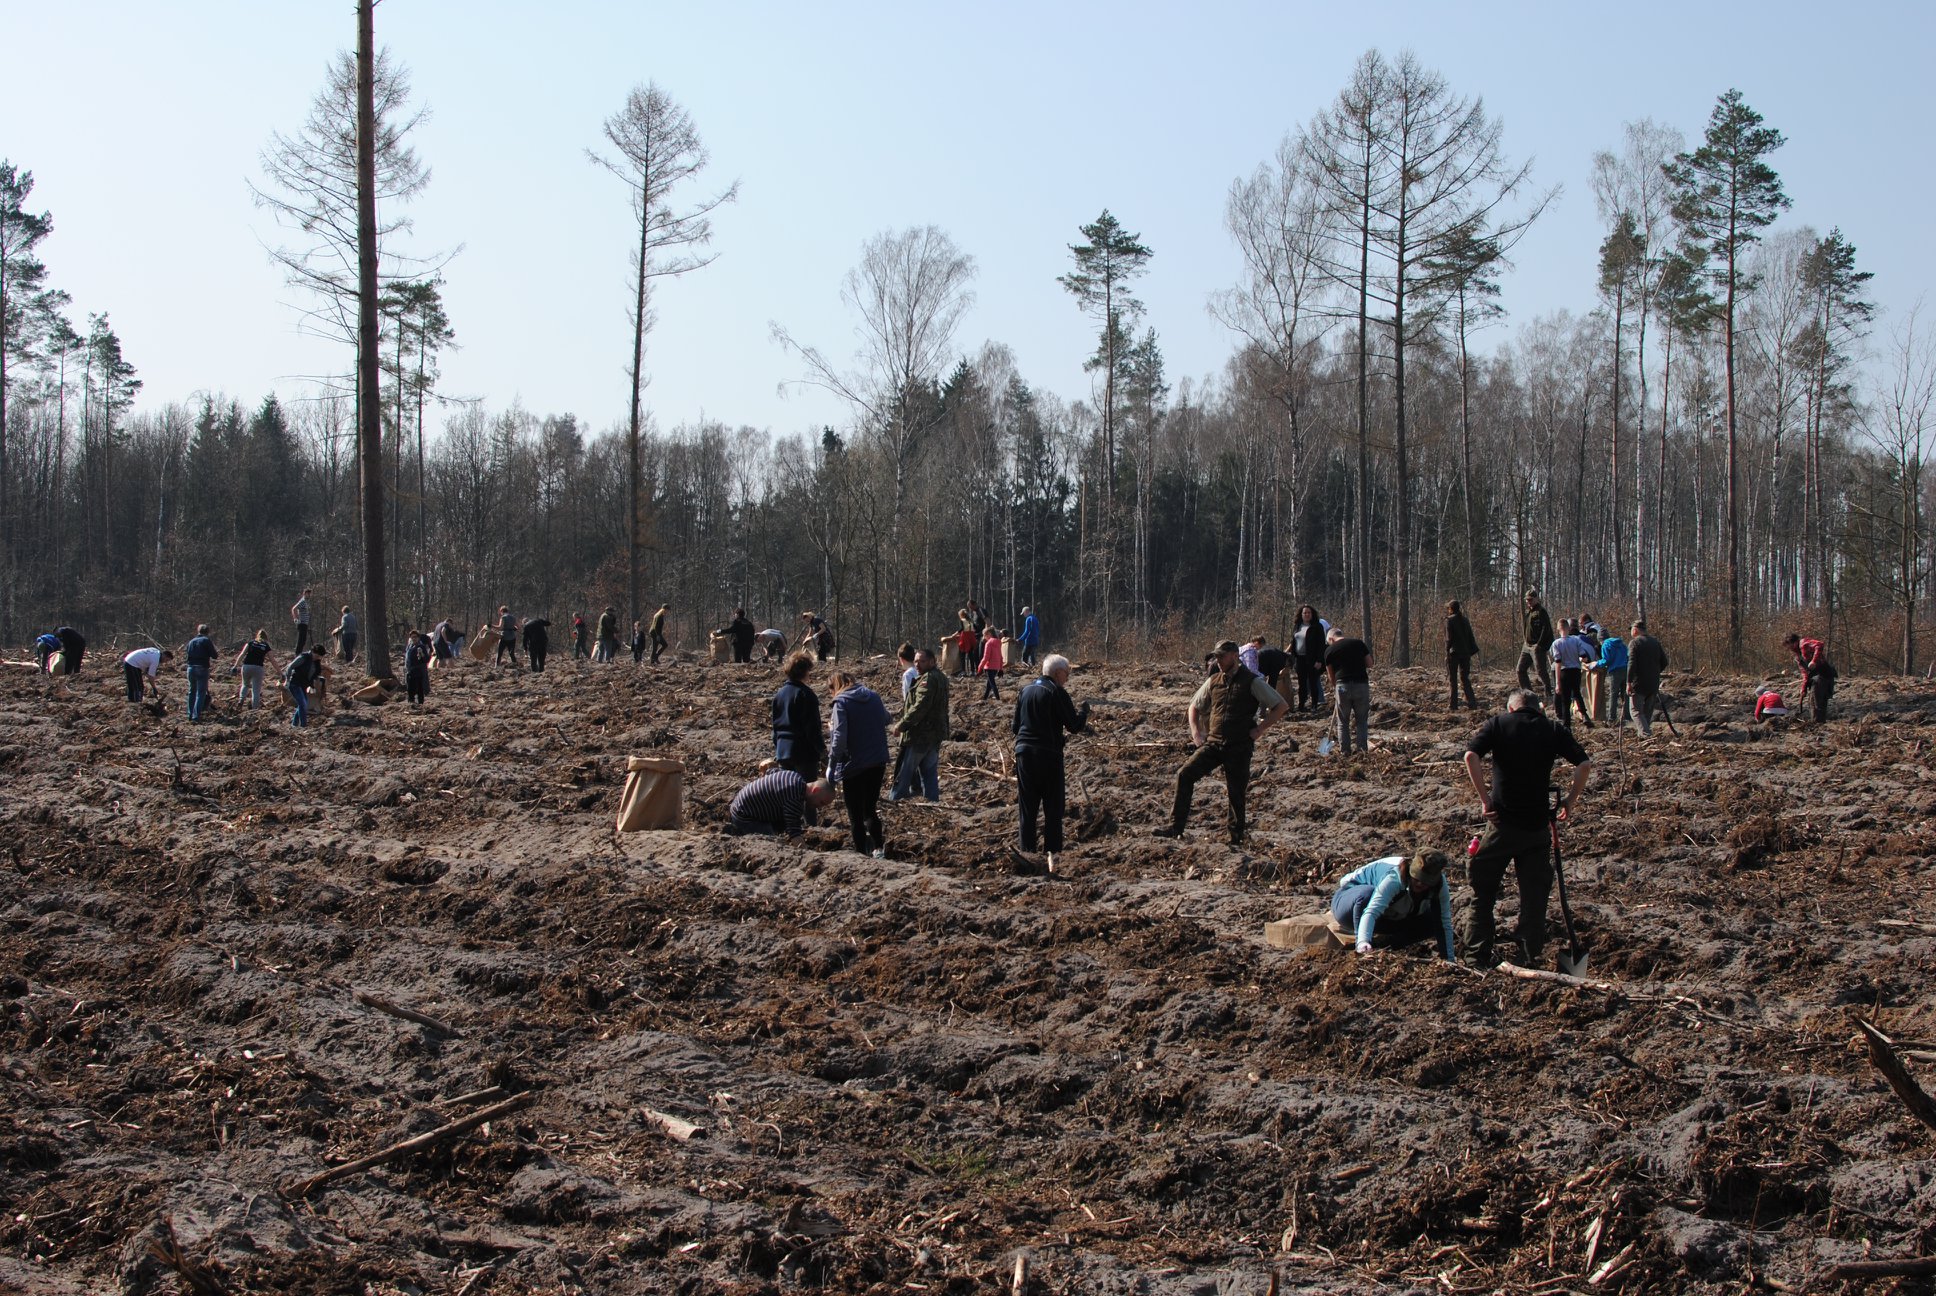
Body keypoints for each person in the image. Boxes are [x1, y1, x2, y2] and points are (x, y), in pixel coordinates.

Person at [1461, 689, 1592, 968]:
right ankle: (1528, 956)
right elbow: (1584, 764)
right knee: (1534, 897)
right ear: (1539, 709)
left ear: (1511, 709)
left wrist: (1485, 800)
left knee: (1482, 891)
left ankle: (1476, 956)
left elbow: (1471, 756)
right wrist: (1571, 799)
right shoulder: (1552, 728)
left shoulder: (1497, 724)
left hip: (1502, 824)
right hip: (1537, 827)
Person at [1154, 639, 1288, 846]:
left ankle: (1235, 837)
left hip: (1239, 746)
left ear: (1234, 656)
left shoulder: (1252, 681)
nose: (1218, 660)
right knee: (1184, 774)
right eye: (1216, 657)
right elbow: (1194, 706)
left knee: (1236, 792)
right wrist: (1196, 733)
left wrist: (1259, 729)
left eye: (1221, 656)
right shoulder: (1214, 680)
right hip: (1214, 743)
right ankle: (1175, 827)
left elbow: (1281, 706)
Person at [1013, 654, 1090, 858]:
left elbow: (1015, 727)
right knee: (1053, 808)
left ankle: (1027, 853)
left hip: (1023, 753)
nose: (1067, 678)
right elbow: (1073, 726)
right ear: (1057, 673)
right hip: (1048, 755)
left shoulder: (1025, 690)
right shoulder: (1056, 692)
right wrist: (1084, 713)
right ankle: (1052, 854)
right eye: (1067, 673)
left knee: (1027, 808)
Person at [1331, 851, 1458, 963]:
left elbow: (1444, 923)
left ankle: (1386, 945)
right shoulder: (1395, 877)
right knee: (1366, 895)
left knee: (1432, 920)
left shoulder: (1440, 885)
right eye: (1417, 878)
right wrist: (1363, 941)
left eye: (1425, 881)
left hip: (1390, 916)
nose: (1420, 883)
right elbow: (1371, 911)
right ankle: (1362, 947)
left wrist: (1449, 960)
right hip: (1348, 904)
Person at [826, 670, 891, 857]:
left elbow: (839, 738)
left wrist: (832, 763)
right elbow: (887, 718)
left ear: (835, 687)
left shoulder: (841, 703)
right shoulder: (874, 696)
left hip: (854, 764)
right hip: (877, 760)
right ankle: (879, 849)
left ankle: (861, 853)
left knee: (855, 814)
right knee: (870, 809)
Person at [889, 647, 950, 803]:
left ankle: (895, 801)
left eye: (922, 661)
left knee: (905, 771)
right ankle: (933, 803)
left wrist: (901, 725)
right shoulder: (940, 677)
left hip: (921, 734)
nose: (917, 664)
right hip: (935, 734)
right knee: (929, 772)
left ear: (932, 661)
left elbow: (920, 706)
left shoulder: (928, 679)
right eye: (916, 661)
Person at [727, 768, 836, 837]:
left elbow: (771, 771)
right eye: (821, 802)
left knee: (784, 823)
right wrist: (804, 850)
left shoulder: (794, 776)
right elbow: (794, 832)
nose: (819, 807)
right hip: (743, 817)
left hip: (738, 804)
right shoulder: (795, 796)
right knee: (770, 839)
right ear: (815, 790)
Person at [772, 652, 825, 779]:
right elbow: (812, 727)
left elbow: (775, 726)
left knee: (788, 792)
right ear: (805, 671)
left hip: (783, 751)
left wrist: (777, 746)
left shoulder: (779, 694)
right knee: (807, 792)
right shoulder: (806, 694)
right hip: (803, 753)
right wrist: (821, 750)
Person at [1324, 627, 1374, 755]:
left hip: (1342, 686)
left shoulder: (1329, 650)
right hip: (1361, 685)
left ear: (1331, 638)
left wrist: (1336, 688)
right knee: (1361, 720)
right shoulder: (1358, 643)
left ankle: (1345, 751)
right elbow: (1370, 663)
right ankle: (1362, 750)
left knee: (1343, 721)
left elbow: (1331, 676)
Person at [1548, 619, 1595, 731]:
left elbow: (1558, 663)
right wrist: (1578, 659)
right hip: (1576, 671)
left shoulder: (1556, 643)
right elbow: (1585, 657)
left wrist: (1557, 682)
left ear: (1558, 629)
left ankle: (1567, 724)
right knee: (1577, 694)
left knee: (1565, 699)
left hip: (1564, 671)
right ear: (1568, 628)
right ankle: (1584, 715)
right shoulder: (1576, 641)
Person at [1626, 621, 1668, 736]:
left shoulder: (1634, 643)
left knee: (1635, 711)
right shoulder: (1655, 642)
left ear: (1635, 630)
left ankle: (1645, 734)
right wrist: (1654, 672)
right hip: (1653, 683)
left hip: (1638, 683)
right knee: (1647, 712)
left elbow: (1631, 663)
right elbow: (1664, 662)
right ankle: (1643, 734)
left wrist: (1629, 682)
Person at [1783, 632, 1836, 722]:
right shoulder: (1798, 657)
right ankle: (1819, 723)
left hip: (1824, 673)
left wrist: (1814, 661)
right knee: (1816, 700)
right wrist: (1803, 689)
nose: (1789, 649)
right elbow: (1804, 673)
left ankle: (1817, 723)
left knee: (1816, 700)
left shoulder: (1804, 643)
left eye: (1788, 646)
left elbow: (1819, 644)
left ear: (1793, 642)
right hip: (1816, 677)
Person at [1290, 605, 1329, 713]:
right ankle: (1301, 704)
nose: (1307, 615)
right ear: (1301, 615)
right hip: (1299, 658)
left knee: (1313, 682)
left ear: (1312, 614)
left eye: (1309, 613)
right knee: (1301, 683)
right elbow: (1293, 641)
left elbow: (1321, 645)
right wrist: (1292, 656)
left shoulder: (1317, 627)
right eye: (1305, 613)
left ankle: (1314, 705)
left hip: (1312, 659)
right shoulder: (1297, 626)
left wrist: (1320, 660)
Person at [1517, 591, 1555, 696]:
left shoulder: (1541, 611)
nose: (1528, 602)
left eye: (1530, 599)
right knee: (1520, 670)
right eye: (1527, 600)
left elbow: (1546, 628)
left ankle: (1548, 693)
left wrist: (1539, 644)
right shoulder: (1528, 612)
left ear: (1536, 599)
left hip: (1536, 646)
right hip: (1526, 645)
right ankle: (1528, 693)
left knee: (1541, 671)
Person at [1445, 600, 1479, 710]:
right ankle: (1472, 703)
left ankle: (1452, 705)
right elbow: (1470, 637)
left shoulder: (1449, 620)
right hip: (1465, 653)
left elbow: (1448, 639)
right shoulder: (1465, 620)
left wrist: (1447, 650)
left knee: (1453, 679)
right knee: (1465, 678)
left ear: (1450, 609)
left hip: (1454, 653)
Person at [183, 624, 217, 722]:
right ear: (208, 632)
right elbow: (214, 655)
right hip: (202, 667)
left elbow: (187, 654)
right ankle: (196, 716)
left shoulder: (191, 641)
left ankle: (189, 714)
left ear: (198, 631)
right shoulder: (206, 641)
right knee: (201, 692)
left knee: (191, 691)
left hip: (190, 668)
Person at [284, 647, 325, 727]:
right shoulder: (304, 657)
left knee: (303, 704)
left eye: (319, 656)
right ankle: (303, 725)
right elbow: (290, 667)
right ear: (313, 651)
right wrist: (287, 680)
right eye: (317, 655)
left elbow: (313, 674)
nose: (317, 657)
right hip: (295, 683)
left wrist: (314, 684)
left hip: (304, 685)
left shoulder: (316, 662)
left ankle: (294, 725)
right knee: (303, 704)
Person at [1598, 628, 1630, 726]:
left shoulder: (1605, 645)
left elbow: (1606, 660)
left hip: (1615, 672)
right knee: (1625, 694)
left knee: (1613, 694)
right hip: (1625, 670)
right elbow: (1628, 656)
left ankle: (1612, 718)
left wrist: (1596, 664)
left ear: (1600, 639)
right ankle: (1627, 716)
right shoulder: (1621, 644)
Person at [234, 630, 273, 709]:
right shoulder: (266, 646)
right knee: (256, 690)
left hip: (247, 666)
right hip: (258, 668)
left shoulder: (251, 643)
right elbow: (272, 660)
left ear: (257, 636)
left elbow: (242, 654)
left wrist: (235, 666)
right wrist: (280, 672)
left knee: (245, 684)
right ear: (266, 637)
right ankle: (255, 709)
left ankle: (241, 700)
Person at [404, 630, 433, 704]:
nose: (414, 638)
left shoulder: (421, 646)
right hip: (410, 669)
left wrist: (422, 654)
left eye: (415, 637)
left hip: (419, 670)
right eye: (412, 637)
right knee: (410, 688)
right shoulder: (409, 646)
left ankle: (421, 703)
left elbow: (426, 659)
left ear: (418, 637)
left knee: (420, 688)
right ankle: (411, 702)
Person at [980, 627, 1007, 699]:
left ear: (989, 634)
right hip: (996, 667)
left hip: (989, 667)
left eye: (984, 635)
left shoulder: (988, 643)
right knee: (989, 684)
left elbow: (986, 657)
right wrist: (1001, 669)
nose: (984, 637)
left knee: (992, 683)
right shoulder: (999, 642)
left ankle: (998, 699)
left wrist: (980, 667)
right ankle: (985, 698)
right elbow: (1001, 657)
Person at [291, 588, 312, 654]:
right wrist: (296, 619)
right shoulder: (302, 601)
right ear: (304, 594)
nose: (309, 595)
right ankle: (297, 654)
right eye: (308, 594)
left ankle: (299, 653)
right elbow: (294, 609)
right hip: (301, 623)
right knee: (301, 640)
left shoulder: (306, 602)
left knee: (303, 640)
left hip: (305, 624)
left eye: (309, 594)